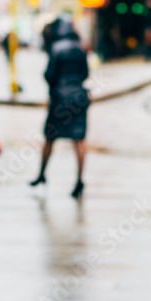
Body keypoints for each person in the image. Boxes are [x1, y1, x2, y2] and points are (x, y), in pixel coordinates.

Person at [30, 20, 90, 199]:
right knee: (79, 139)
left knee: (50, 137)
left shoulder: (56, 47)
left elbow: (50, 74)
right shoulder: (81, 48)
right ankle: (79, 180)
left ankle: (41, 174)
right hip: (79, 97)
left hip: (60, 99)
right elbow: (85, 74)